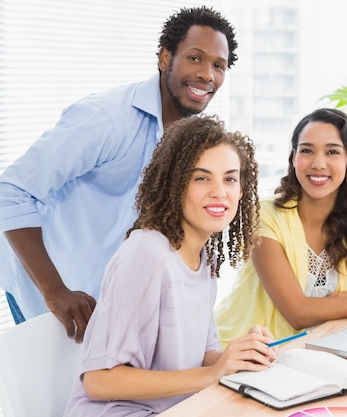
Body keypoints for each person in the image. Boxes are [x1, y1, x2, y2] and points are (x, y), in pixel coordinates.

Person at [0, 6, 239, 342]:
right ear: (165, 59)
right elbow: (12, 191)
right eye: (195, 58)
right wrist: (54, 289)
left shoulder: (190, 139)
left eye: (218, 65)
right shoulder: (107, 118)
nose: (207, 74)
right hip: (49, 287)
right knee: (61, 394)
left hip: (102, 296)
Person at [63, 115, 275, 416]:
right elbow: (99, 381)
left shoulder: (205, 259)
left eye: (229, 178)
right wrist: (211, 375)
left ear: (242, 189)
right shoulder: (147, 253)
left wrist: (241, 356)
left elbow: (201, 356)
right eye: (201, 178)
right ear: (175, 185)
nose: (219, 192)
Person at [215, 108, 347, 346]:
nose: (318, 163)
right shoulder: (263, 216)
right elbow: (298, 313)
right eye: (307, 151)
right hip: (244, 351)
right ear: (294, 158)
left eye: (332, 152)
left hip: (322, 347)